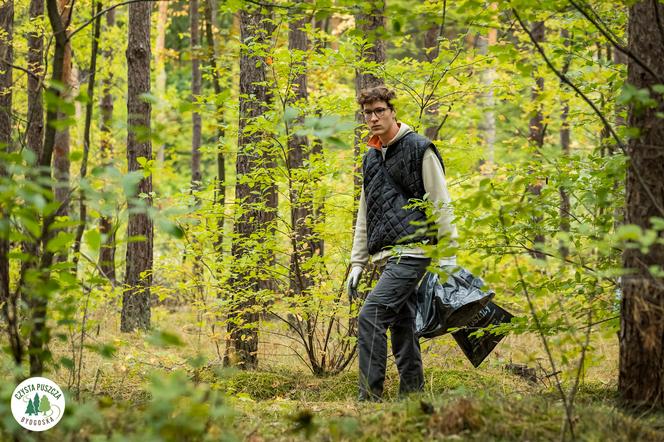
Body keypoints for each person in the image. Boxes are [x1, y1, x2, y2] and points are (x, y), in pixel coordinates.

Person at [347, 85, 458, 401]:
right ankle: (412, 395)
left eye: (380, 110)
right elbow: (364, 214)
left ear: (393, 111)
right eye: (367, 113)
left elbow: (441, 203)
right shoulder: (370, 157)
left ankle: (369, 398)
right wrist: (357, 263)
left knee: (372, 315)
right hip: (386, 255)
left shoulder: (419, 148)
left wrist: (448, 255)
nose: (373, 117)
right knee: (402, 324)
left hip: (414, 250)